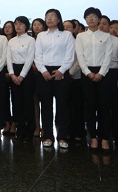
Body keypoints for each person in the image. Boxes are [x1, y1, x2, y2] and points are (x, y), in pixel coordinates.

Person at [35, 9, 74, 149]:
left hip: (61, 72)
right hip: (44, 72)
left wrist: (61, 71)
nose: (49, 19)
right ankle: (48, 136)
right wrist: (43, 71)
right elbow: (37, 56)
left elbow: (70, 56)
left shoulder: (67, 35)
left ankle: (62, 136)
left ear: (58, 19)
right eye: (47, 17)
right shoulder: (41, 36)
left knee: (62, 105)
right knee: (46, 106)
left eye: (52, 16)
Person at [76, 8, 113, 152]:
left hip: (103, 74)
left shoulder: (106, 36)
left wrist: (101, 73)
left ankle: (104, 138)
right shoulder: (81, 37)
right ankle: (92, 137)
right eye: (88, 16)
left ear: (99, 19)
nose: (90, 19)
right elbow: (80, 56)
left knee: (104, 106)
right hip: (87, 74)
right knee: (90, 106)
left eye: (93, 16)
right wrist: (88, 73)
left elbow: (108, 56)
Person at [5, 16, 36, 142]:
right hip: (14, 72)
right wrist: (12, 74)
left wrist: (22, 75)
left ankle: (29, 132)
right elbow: (8, 58)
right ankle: (20, 130)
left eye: (21, 24)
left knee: (28, 103)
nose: (17, 26)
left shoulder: (31, 40)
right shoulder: (11, 41)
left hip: (26, 73)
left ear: (26, 26)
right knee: (16, 103)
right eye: (16, 24)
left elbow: (30, 59)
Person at [31, 18, 47, 138]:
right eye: (34, 25)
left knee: (46, 101)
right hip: (32, 73)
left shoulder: (47, 39)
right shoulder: (31, 39)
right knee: (34, 101)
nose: (36, 27)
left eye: (39, 25)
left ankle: (46, 128)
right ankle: (37, 126)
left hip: (44, 72)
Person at [2, 20, 16, 135]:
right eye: (5, 27)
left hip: (15, 70)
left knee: (15, 99)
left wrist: (10, 72)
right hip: (2, 70)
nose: (7, 29)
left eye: (9, 27)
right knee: (4, 98)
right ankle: (6, 121)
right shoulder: (1, 39)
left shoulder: (16, 40)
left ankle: (15, 122)